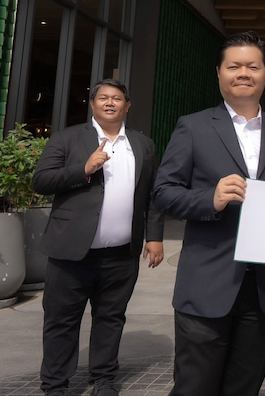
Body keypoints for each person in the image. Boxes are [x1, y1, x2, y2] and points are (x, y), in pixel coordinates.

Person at [153, 31, 265, 396]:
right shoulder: (192, 126)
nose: (243, 73)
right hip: (206, 283)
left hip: (264, 287)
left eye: (252, 66)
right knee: (195, 387)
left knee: (245, 386)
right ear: (219, 73)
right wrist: (211, 198)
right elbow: (163, 193)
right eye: (234, 66)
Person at [32, 78, 165, 396]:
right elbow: (42, 180)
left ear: (127, 106)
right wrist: (84, 168)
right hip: (71, 253)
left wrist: (154, 236)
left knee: (111, 318)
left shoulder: (142, 145)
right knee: (62, 321)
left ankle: (103, 379)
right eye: (103, 97)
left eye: (117, 98)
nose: (110, 102)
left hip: (121, 254)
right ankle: (55, 385)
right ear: (92, 104)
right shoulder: (68, 138)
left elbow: (153, 195)